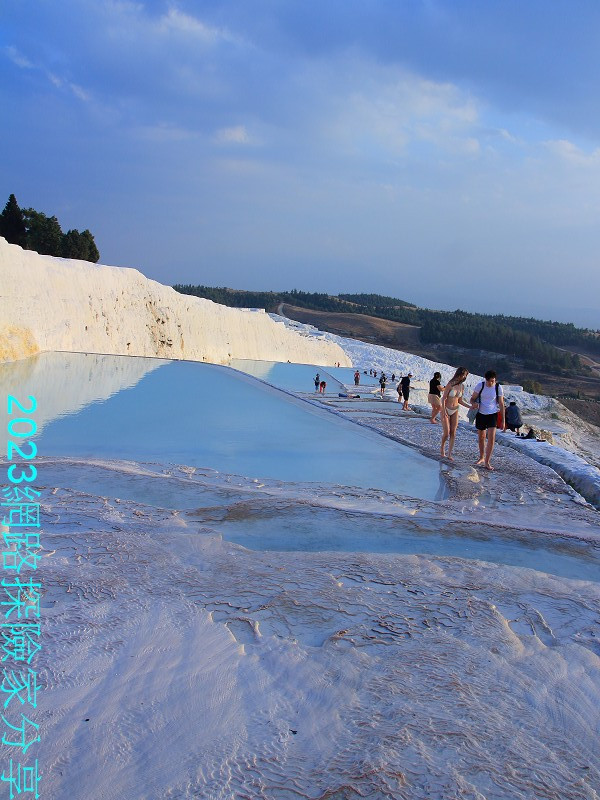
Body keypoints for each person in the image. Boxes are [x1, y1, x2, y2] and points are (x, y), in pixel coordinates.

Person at [470, 370, 505, 471]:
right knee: (481, 437)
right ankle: (481, 457)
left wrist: (503, 421)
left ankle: (487, 461)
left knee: (491, 438)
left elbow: (501, 404)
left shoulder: (498, 387)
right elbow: (472, 399)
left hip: (492, 414)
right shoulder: (480, 386)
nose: (491, 383)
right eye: (489, 381)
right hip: (481, 414)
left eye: (493, 381)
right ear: (486, 379)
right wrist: (474, 403)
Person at [440, 367, 470, 460]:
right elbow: (443, 398)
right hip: (446, 409)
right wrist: (444, 410)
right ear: (459, 374)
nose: (464, 377)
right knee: (446, 432)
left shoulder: (462, 386)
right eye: (464, 375)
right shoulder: (450, 384)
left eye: (466, 375)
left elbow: (460, 400)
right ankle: (442, 448)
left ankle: (449, 453)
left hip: (455, 410)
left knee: (453, 432)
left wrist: (470, 406)